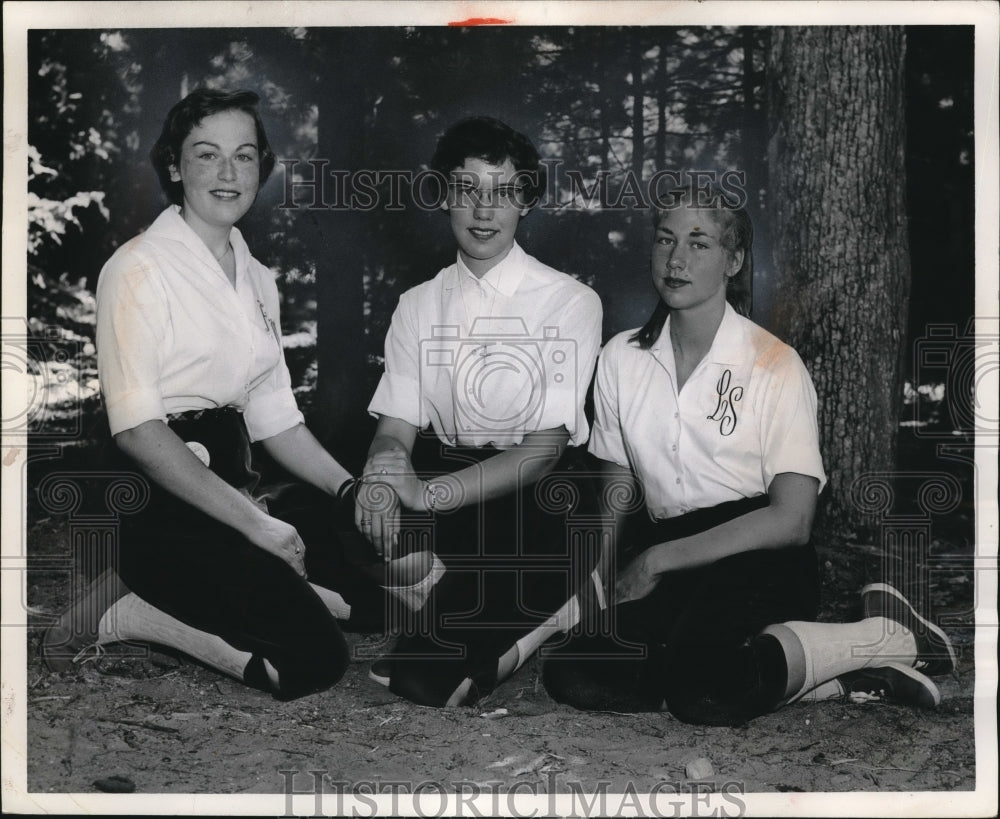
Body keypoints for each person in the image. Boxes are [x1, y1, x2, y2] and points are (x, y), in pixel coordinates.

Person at [41, 88, 410, 700]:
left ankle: (290, 589)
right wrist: (258, 529)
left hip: (239, 491)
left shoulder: (259, 278)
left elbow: (276, 420)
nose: (228, 172)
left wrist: (353, 489)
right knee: (314, 662)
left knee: (374, 607)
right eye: (207, 154)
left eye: (244, 156)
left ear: (260, 167)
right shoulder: (136, 268)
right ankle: (129, 611)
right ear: (173, 166)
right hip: (161, 502)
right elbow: (136, 430)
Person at [541, 185, 956, 725]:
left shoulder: (773, 363)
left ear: (733, 261)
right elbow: (618, 488)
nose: (676, 259)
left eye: (700, 244)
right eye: (666, 240)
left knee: (701, 691)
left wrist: (655, 561)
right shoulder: (621, 357)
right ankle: (827, 672)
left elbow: (793, 520)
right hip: (674, 553)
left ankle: (884, 636)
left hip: (760, 553)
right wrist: (598, 578)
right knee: (579, 672)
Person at [356, 116, 603, 707]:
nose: (484, 210)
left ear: (526, 202)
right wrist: (381, 477)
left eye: (504, 192)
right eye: (467, 190)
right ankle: (462, 595)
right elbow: (394, 429)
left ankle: (557, 603)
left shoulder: (570, 301)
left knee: (420, 683)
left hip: (533, 497)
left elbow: (543, 451)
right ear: (445, 195)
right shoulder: (417, 304)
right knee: (335, 517)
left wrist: (422, 496)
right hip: (447, 488)